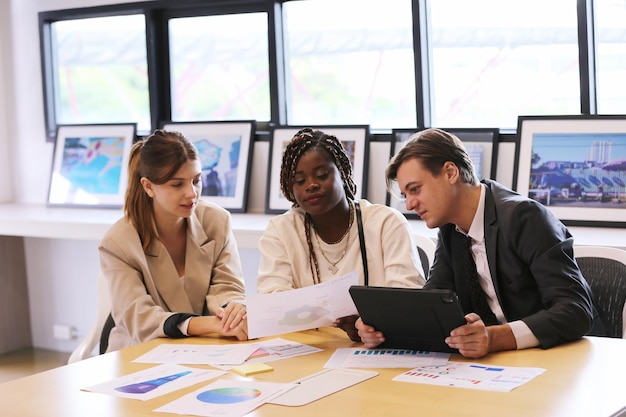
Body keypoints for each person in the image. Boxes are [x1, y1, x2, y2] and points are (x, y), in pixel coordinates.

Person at [356, 128, 605, 358]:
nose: (409, 204)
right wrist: (380, 328)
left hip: (563, 359)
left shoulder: (524, 217)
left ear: (450, 172)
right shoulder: (450, 227)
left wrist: (496, 337)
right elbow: (434, 301)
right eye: (405, 195)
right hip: (503, 366)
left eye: (415, 190)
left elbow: (576, 311)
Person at [256, 127, 425, 341]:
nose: (311, 185)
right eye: (300, 181)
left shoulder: (386, 223)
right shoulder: (281, 231)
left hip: (379, 348)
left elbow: (407, 301)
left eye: (322, 175)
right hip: (310, 351)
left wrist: (368, 323)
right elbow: (272, 304)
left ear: (343, 173)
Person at [99, 129, 248, 352]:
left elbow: (228, 287)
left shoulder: (217, 221)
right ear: (148, 186)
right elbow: (140, 318)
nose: (192, 193)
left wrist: (231, 314)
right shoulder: (118, 243)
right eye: (177, 185)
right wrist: (208, 324)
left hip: (206, 348)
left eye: (196, 181)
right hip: (140, 353)